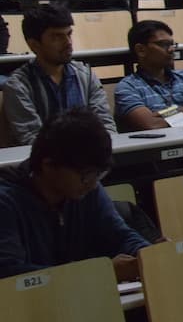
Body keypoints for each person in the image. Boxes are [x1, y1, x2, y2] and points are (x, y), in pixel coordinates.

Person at [0, 109, 151, 280]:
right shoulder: (7, 203)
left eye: (99, 174)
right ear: (48, 165)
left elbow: (120, 235)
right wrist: (103, 273)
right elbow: (10, 275)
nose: (93, 183)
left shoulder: (89, 190)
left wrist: (147, 255)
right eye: (86, 175)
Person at [2, 5, 115, 144]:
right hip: (46, 162)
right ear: (34, 45)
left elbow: (105, 126)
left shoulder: (86, 75)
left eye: (69, 34)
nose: (68, 42)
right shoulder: (18, 86)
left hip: (91, 159)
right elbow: (32, 139)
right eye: (57, 37)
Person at [114, 20, 183, 131]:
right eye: (163, 44)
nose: (171, 49)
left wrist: (164, 114)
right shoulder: (127, 87)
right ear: (141, 50)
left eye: (172, 44)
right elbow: (151, 124)